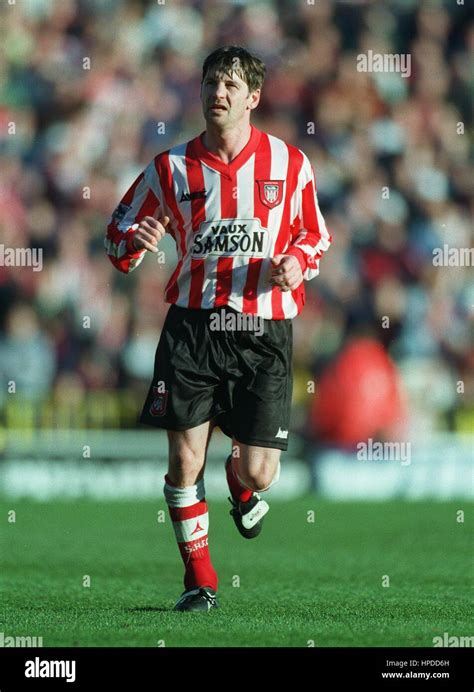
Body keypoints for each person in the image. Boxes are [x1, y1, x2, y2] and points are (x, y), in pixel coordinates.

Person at [105, 46, 331, 612]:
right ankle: (199, 582)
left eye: (230, 85)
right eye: (211, 83)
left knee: (260, 469)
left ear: (253, 98)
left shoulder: (289, 164)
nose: (218, 94)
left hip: (262, 329)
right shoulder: (170, 168)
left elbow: (315, 235)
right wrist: (134, 241)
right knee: (183, 460)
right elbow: (116, 232)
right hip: (192, 328)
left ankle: (240, 478)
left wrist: (297, 263)